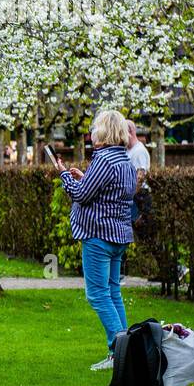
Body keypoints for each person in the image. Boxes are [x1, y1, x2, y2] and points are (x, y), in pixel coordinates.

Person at [56, 110, 137, 371]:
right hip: (119, 236)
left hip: (98, 236)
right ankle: (125, 352)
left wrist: (65, 175)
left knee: (97, 295)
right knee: (113, 292)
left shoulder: (103, 159)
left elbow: (80, 195)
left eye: (95, 128)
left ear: (104, 132)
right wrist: (84, 178)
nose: (92, 133)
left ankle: (120, 352)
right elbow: (105, 191)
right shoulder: (125, 161)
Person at [126, 120, 151, 225]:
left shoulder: (139, 151)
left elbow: (139, 179)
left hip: (138, 199)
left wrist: (126, 197)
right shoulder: (129, 150)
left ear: (130, 132)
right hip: (133, 198)